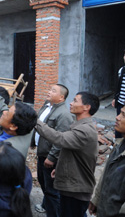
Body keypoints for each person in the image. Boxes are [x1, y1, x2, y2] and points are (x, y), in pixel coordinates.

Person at [35, 92, 99, 217]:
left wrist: (35, 121)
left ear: (87, 107)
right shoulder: (79, 125)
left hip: (76, 190)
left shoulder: (85, 130)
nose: (71, 103)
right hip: (71, 186)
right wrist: (59, 169)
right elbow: (71, 152)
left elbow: (59, 139)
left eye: (75, 101)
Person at [33, 84, 74, 216]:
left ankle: (54, 213)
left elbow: (61, 139)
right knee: (43, 182)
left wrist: (52, 157)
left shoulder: (64, 115)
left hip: (49, 156)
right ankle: (46, 205)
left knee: (51, 190)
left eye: (53, 91)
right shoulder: (46, 105)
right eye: (50, 89)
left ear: (61, 97)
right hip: (41, 152)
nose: (49, 92)